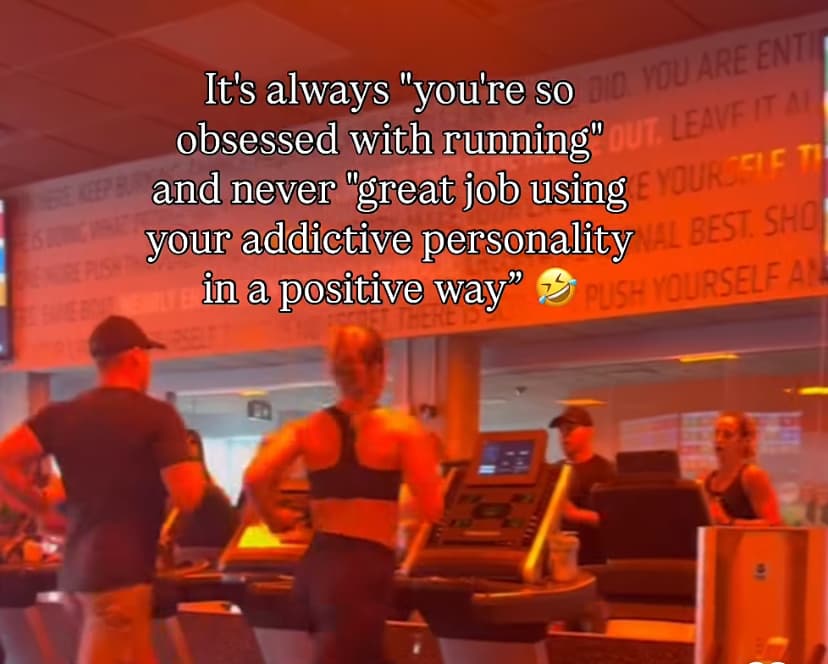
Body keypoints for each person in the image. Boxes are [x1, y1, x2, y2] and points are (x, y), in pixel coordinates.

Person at [0, 315, 207, 664]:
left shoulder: (61, 415)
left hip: (77, 573)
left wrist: (39, 509)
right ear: (136, 357)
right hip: (119, 578)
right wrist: (187, 468)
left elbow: (4, 459)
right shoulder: (157, 416)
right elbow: (188, 495)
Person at [244, 325, 443, 664]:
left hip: (318, 567)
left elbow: (255, 477)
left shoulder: (307, 429)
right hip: (363, 571)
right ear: (380, 367)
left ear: (334, 371)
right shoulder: (402, 430)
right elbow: (432, 509)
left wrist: (274, 519)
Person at [549, 405, 616, 565]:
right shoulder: (553, 471)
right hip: (557, 562)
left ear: (589, 432)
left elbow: (615, 520)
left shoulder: (607, 471)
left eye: (570, 429)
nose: (564, 436)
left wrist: (574, 513)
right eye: (561, 431)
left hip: (592, 562)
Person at [170, 430, 240, 564]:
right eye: (184, 442)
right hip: (187, 554)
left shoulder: (211, 490)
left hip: (214, 553)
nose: (188, 446)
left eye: (193, 442)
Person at [703, 411, 782, 526]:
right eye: (716, 433)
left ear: (744, 441)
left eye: (727, 435)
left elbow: (774, 523)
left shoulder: (752, 476)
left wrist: (729, 522)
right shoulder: (707, 480)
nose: (718, 440)